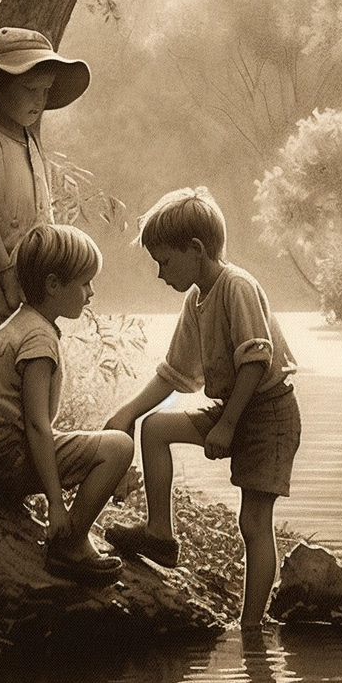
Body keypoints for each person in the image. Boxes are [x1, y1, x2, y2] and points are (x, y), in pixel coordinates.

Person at [104, 187, 301, 627]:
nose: (160, 274)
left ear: (195, 250)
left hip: (269, 412)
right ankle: (160, 533)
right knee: (155, 430)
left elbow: (256, 359)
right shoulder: (196, 301)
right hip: (233, 409)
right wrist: (127, 414)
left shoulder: (237, 286)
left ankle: (251, 625)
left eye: (164, 261)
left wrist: (227, 425)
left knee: (253, 522)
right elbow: (174, 373)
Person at [0, 222, 132, 586]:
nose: (90, 293)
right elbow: (37, 425)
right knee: (119, 446)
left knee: (105, 449)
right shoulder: (39, 341)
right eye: (84, 282)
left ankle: (75, 531)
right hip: (7, 459)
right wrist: (56, 503)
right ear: (54, 285)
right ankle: (69, 545)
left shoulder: (22, 323)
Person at [0, 27, 90, 366]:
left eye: (44, 92)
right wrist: (5, 271)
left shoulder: (33, 144)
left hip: (32, 269)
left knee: (31, 354)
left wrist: (54, 261)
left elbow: (44, 212)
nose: (38, 101)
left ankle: (31, 420)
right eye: (29, 89)